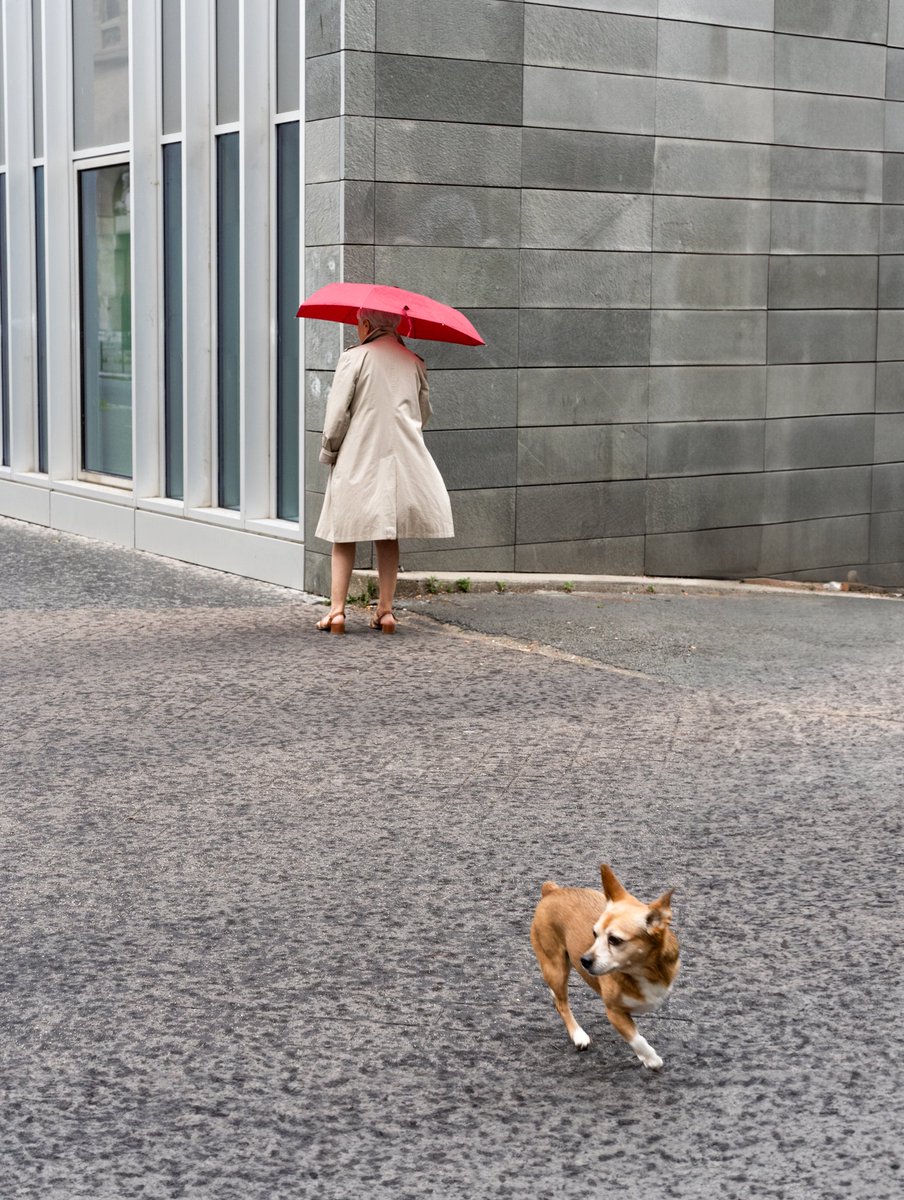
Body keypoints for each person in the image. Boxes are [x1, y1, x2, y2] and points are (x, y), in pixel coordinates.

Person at [314, 307, 454, 634]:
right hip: (400, 460)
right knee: (387, 533)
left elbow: (337, 416)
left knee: (343, 533)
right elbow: (423, 414)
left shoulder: (355, 358)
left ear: (365, 325)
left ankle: (336, 613)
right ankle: (386, 611)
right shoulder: (413, 361)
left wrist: (330, 450)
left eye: (357, 324)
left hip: (357, 456)